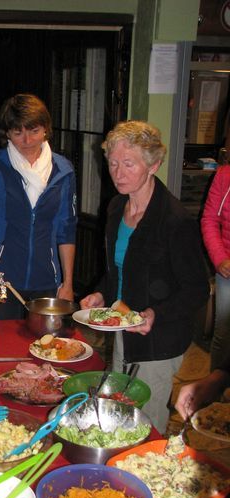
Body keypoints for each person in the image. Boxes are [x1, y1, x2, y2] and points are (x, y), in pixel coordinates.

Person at [80, 120, 209, 434]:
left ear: (154, 165)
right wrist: (99, 293)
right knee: (119, 409)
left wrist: (155, 314)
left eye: (129, 164)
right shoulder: (115, 208)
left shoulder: (174, 220)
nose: (118, 173)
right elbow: (117, 270)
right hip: (124, 326)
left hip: (159, 340)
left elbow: (197, 289)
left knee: (144, 422)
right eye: (112, 163)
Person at [0, 93, 77, 319]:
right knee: (2, 348)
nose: (27, 141)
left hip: (47, 280)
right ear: (7, 133)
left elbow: (67, 232)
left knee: (45, 348)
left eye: (34, 131)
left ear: (46, 129)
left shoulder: (64, 171)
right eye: (18, 133)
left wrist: (68, 283)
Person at [201, 163, 230, 371]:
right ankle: (216, 387)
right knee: (224, 332)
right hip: (227, 271)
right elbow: (210, 220)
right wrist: (220, 259)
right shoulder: (224, 175)